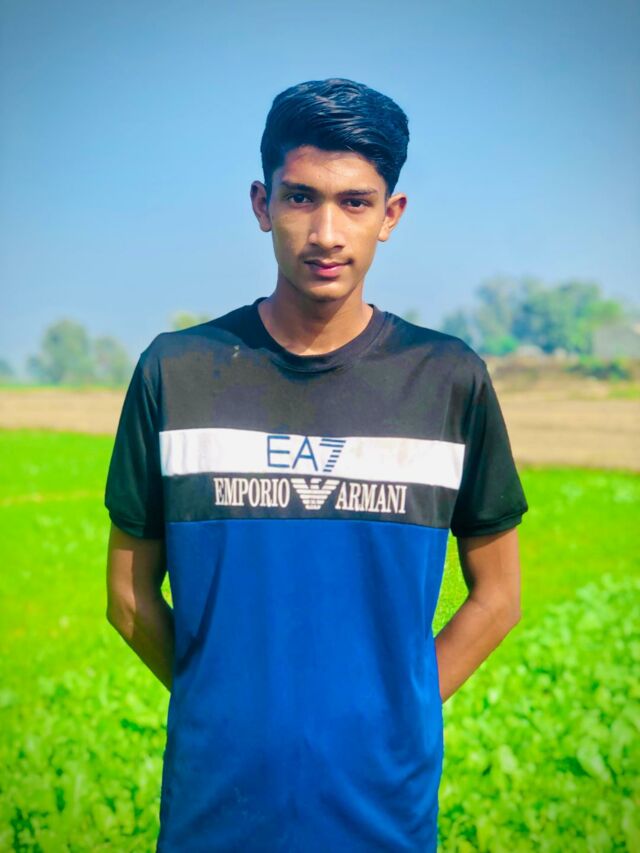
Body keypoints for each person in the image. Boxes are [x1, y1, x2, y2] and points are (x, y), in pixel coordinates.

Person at [104, 77, 528, 852]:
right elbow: (128, 597)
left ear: (390, 215)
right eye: (301, 198)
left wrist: (397, 712)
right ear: (262, 204)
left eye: (355, 202)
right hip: (214, 809)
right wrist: (221, 703)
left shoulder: (447, 379)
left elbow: (498, 596)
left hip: (383, 815)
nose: (326, 232)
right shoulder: (178, 372)